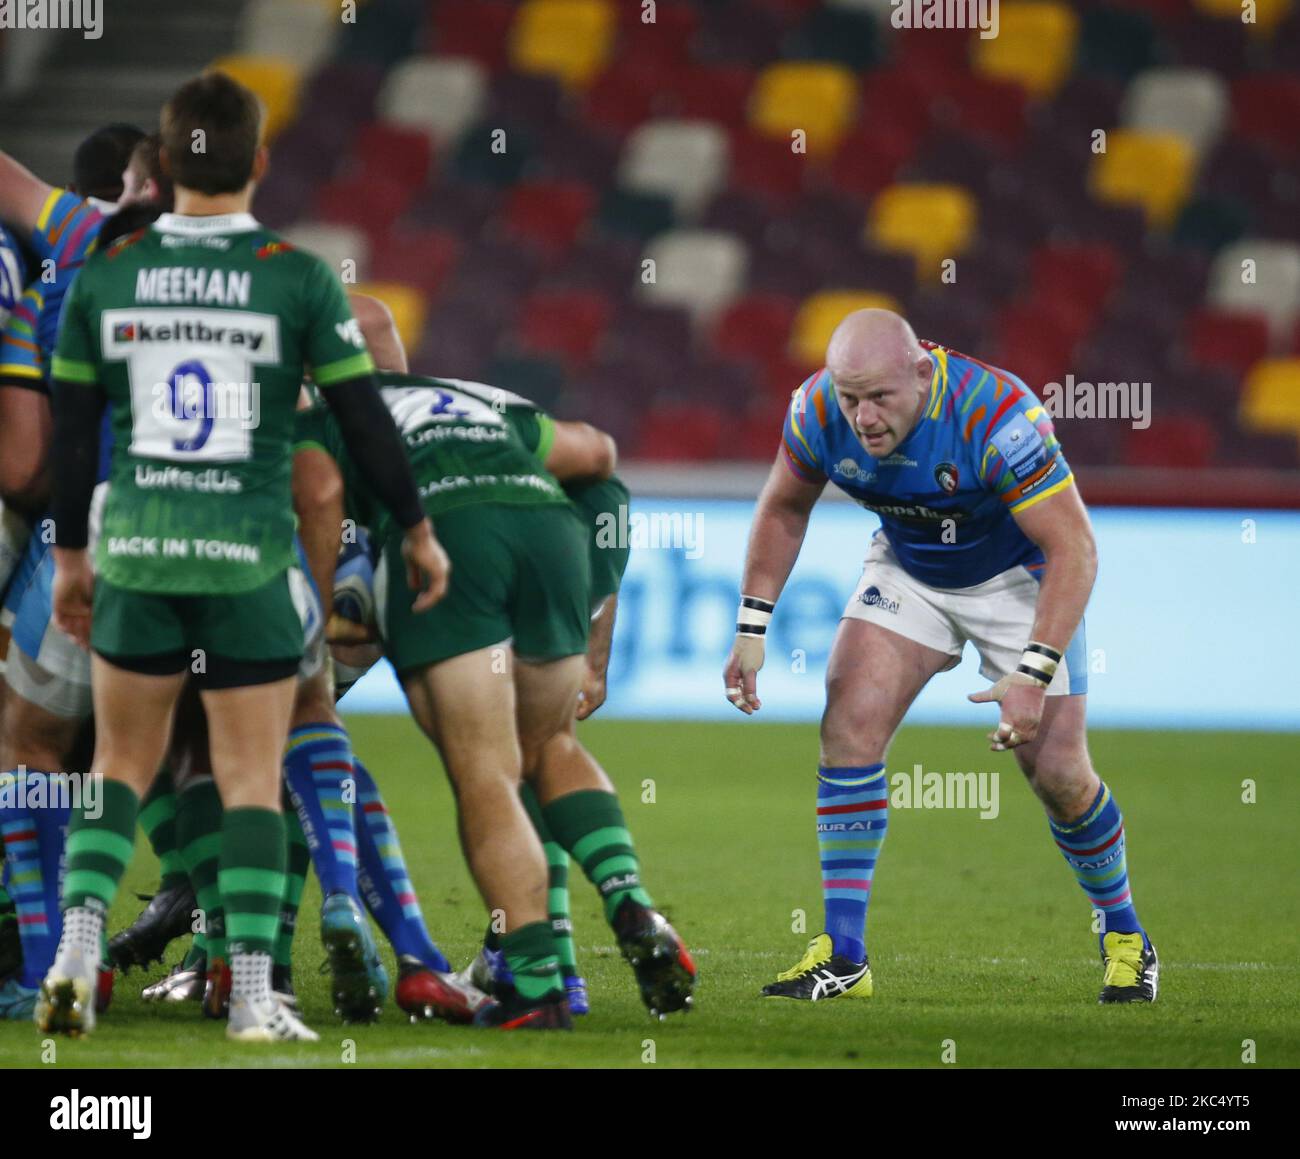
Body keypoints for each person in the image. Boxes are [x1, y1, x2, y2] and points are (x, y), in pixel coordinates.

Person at [37, 70, 447, 1042]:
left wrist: (70, 562)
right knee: (252, 775)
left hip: (137, 552)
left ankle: (76, 947)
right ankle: (255, 995)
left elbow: (71, 432)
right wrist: (417, 529)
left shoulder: (107, 275)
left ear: (167, 163)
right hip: (247, 563)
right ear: (260, 161)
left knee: (124, 766)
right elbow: (362, 418)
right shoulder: (297, 276)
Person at [724, 308, 1157, 1005]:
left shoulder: (1000, 417)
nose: (862, 417)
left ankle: (1125, 933)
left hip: (1021, 581)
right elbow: (783, 507)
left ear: (922, 373)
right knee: (848, 727)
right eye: (849, 397)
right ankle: (844, 953)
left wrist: (1033, 669)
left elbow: (1074, 546)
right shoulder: (814, 412)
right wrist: (752, 625)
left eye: (879, 398)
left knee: (1059, 776)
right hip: (911, 568)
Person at [296, 354, 695, 1028]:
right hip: (554, 532)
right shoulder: (468, 401)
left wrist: (314, 607)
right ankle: (628, 897)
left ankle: (535, 983)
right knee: (548, 744)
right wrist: (597, 644)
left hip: (452, 536)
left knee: (486, 769)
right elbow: (601, 456)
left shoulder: (320, 415)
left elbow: (321, 496)